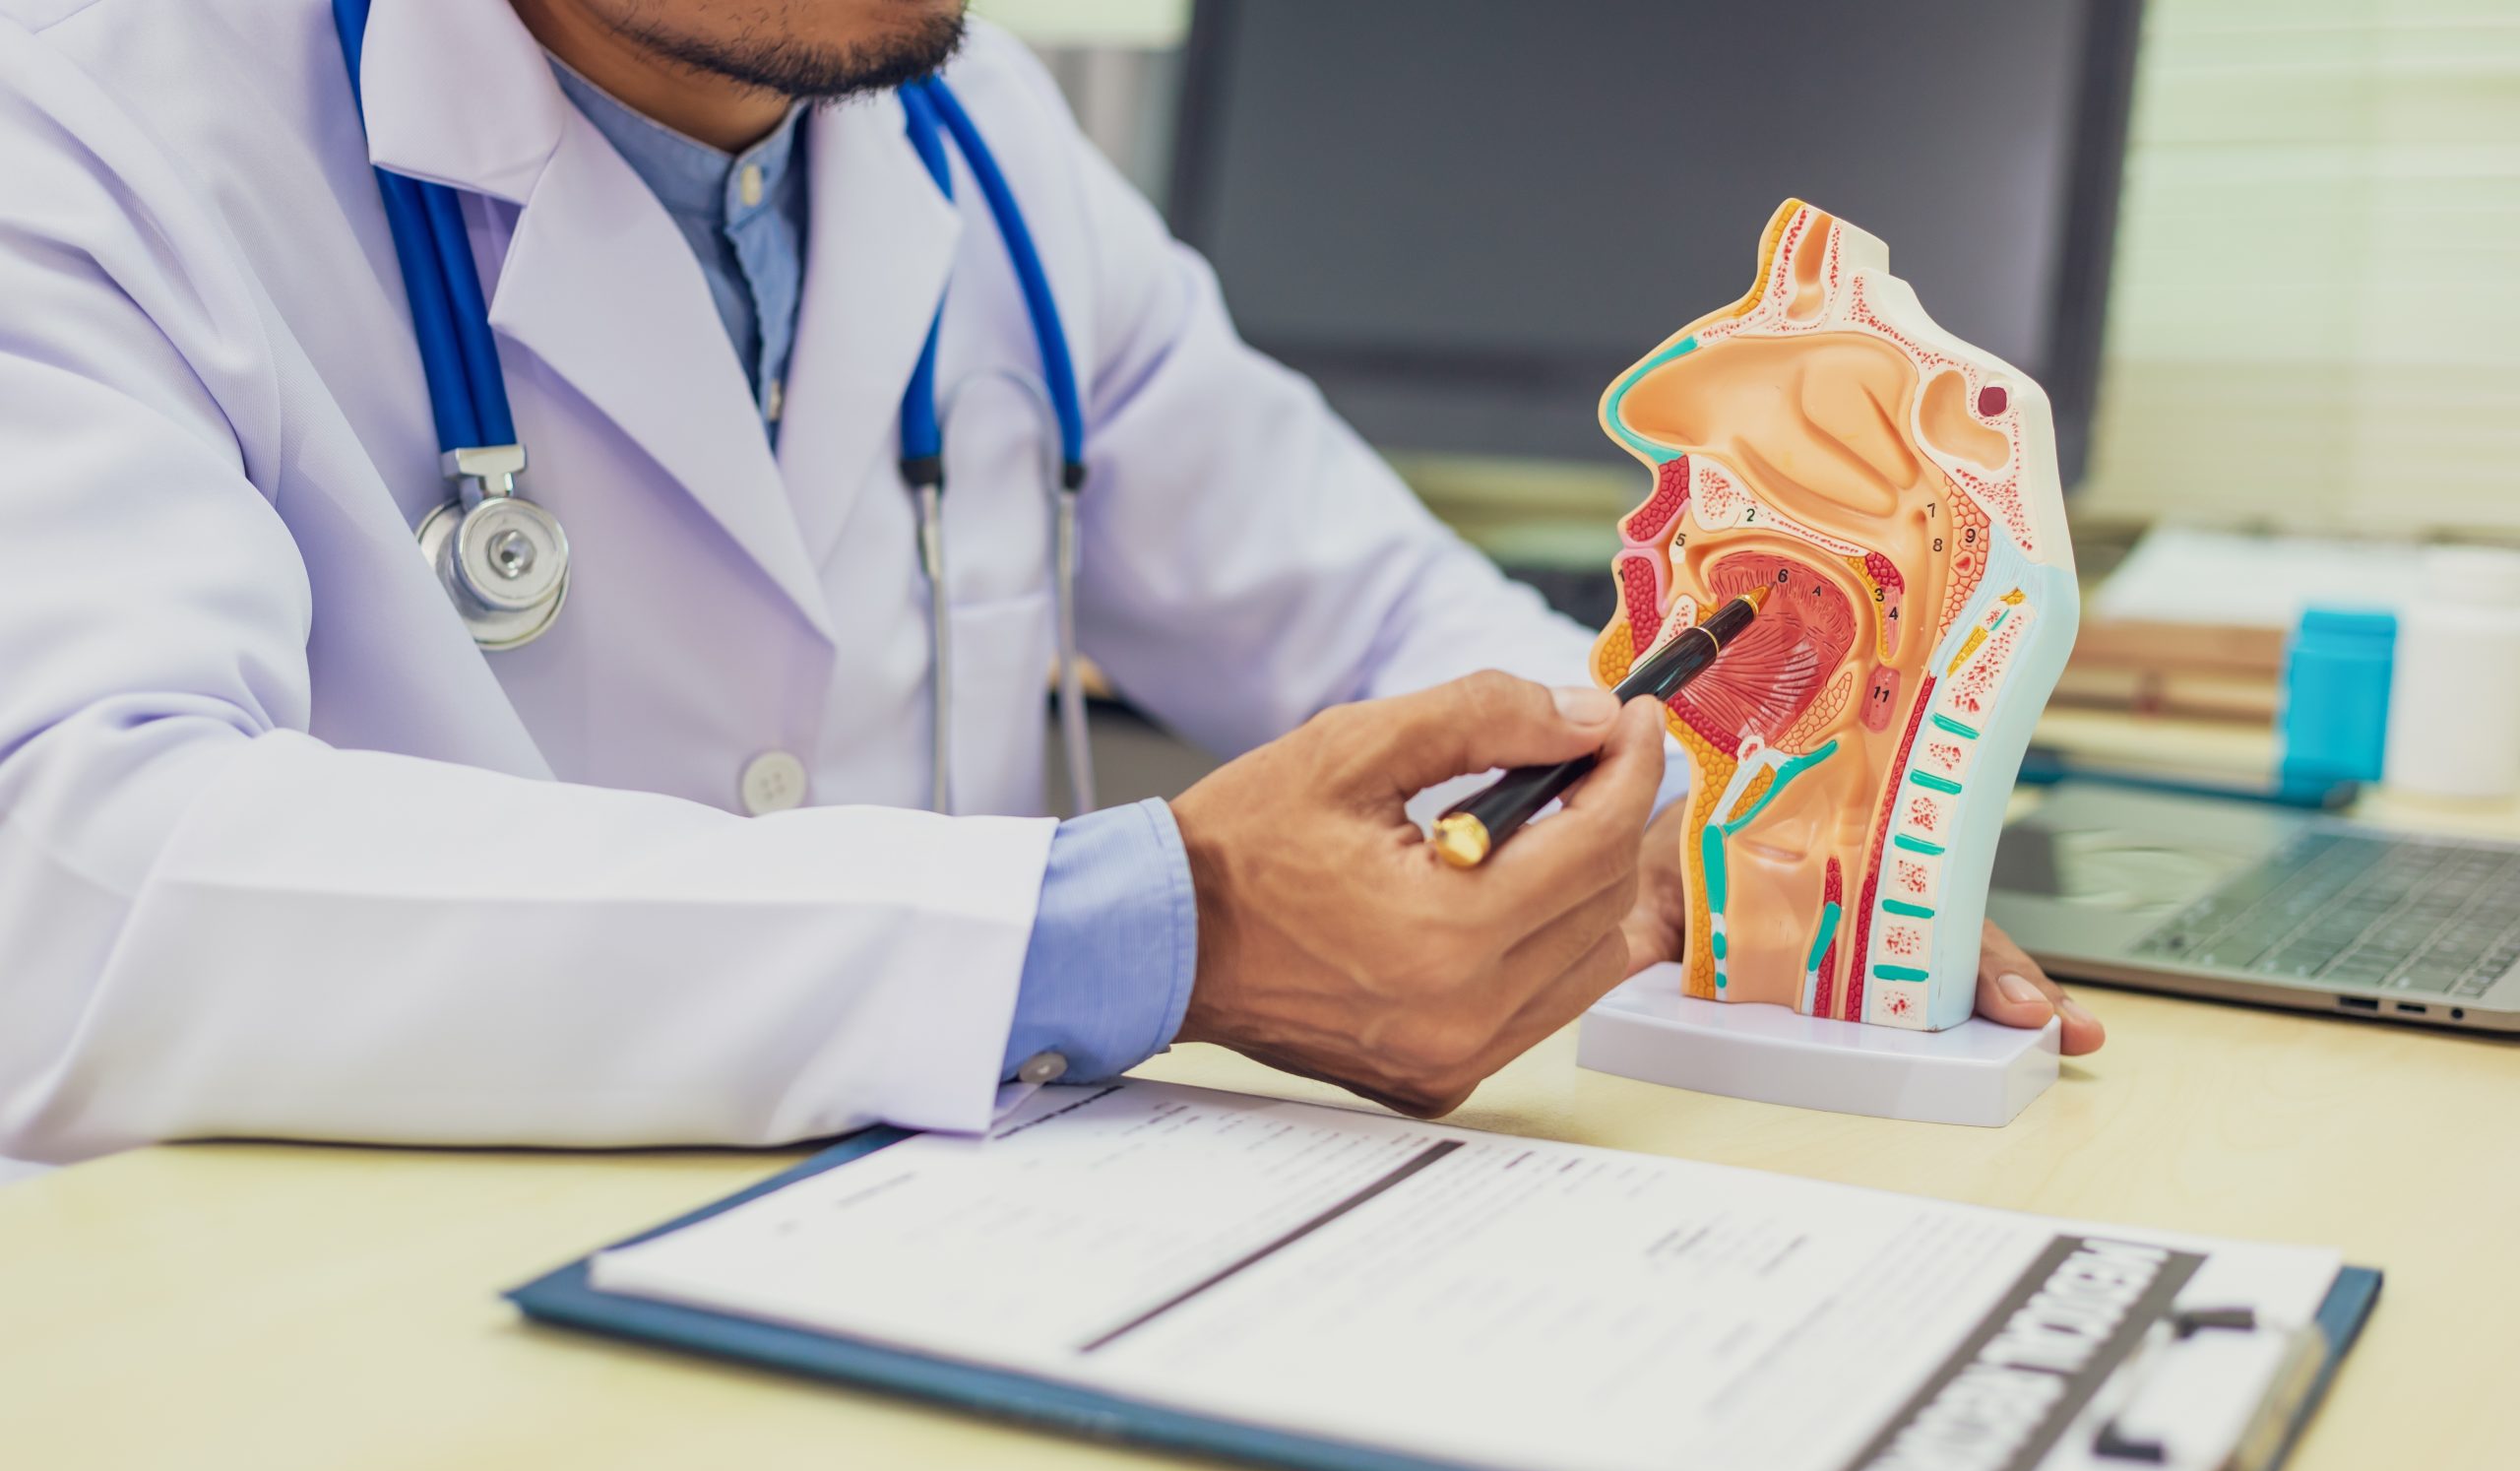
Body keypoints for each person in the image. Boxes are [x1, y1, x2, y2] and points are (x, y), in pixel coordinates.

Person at [0, 0, 2100, 1163]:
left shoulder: (970, 135)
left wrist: (1740, 831)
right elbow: (69, 879)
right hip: (309, 1352)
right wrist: (1123, 934)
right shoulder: (85, 116)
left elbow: (1365, 610)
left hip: (905, 1305)